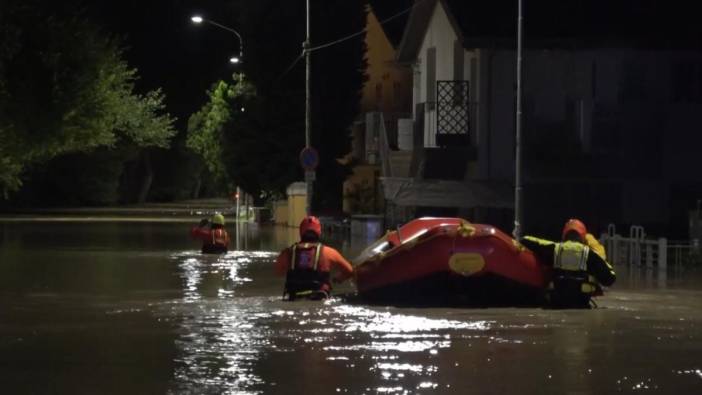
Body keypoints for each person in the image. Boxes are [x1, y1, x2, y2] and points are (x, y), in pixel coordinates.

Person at [521, 219, 616, 308]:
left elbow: (525, 240)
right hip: (581, 303)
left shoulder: (554, 248)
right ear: (583, 237)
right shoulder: (590, 255)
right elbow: (610, 279)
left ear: (564, 235)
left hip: (556, 303)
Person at [275, 216, 354, 300]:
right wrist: (338, 279)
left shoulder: (287, 253)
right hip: (320, 299)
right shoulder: (330, 253)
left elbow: (278, 272)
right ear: (319, 232)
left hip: (293, 297)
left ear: (301, 232)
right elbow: (350, 271)